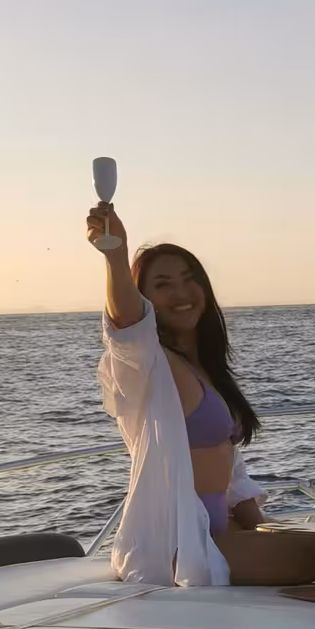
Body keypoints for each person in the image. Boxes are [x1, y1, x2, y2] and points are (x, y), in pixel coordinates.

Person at [86, 196, 265, 586]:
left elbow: (232, 476)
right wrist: (115, 257)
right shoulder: (148, 364)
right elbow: (127, 325)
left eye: (190, 278)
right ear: (145, 298)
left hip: (221, 532)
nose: (181, 292)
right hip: (177, 549)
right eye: (163, 285)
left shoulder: (207, 367)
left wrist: (272, 531)